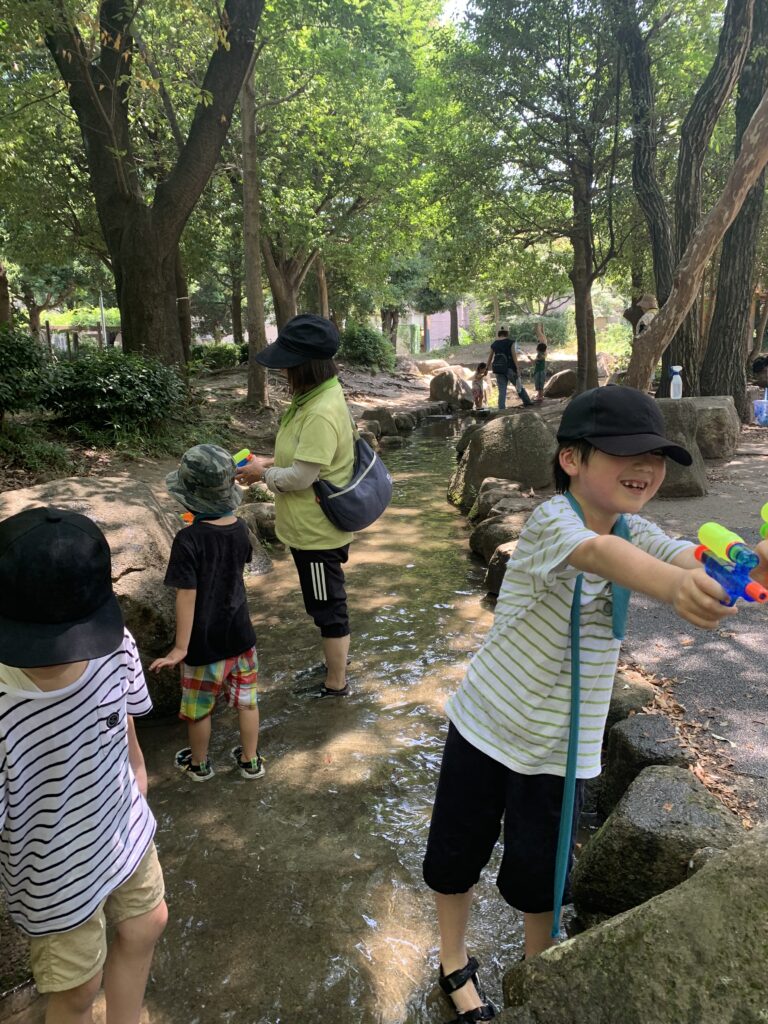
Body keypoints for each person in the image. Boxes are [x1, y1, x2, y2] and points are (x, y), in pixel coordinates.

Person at [421, 385, 768, 1022]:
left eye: (657, 456)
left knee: (541, 875)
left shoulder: (637, 529)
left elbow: (685, 557)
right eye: (625, 452)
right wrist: (678, 589)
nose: (647, 467)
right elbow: (605, 556)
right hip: (487, 726)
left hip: (564, 749)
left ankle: (536, 973)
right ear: (572, 459)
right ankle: (452, 961)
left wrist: (747, 568)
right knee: (455, 853)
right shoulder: (554, 521)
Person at [0, 507, 167, 1024]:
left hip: (121, 824)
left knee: (148, 923)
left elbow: (123, 723)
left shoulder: (113, 646)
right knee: (77, 987)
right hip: (50, 866)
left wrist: (138, 774)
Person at [236, 313, 355, 698]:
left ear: (304, 366)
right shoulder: (318, 396)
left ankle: (336, 683)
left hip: (316, 534)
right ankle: (334, 664)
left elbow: (303, 477)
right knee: (324, 604)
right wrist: (268, 462)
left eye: (288, 364)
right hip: (310, 526)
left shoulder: (320, 410)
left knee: (328, 608)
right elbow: (310, 459)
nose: (283, 372)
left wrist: (262, 474)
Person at [150, 444, 262, 781]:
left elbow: (187, 594)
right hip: (241, 636)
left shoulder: (188, 539)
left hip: (203, 645)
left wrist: (180, 648)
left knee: (198, 710)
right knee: (247, 702)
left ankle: (198, 764)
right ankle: (251, 760)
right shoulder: (240, 528)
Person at [486, 328, 532, 409]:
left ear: (499, 334)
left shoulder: (494, 344)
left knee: (502, 390)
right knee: (518, 385)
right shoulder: (510, 342)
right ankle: (527, 402)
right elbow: (514, 356)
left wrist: (486, 368)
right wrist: (517, 368)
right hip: (510, 369)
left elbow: (490, 357)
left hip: (498, 369)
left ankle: (501, 408)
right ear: (506, 334)